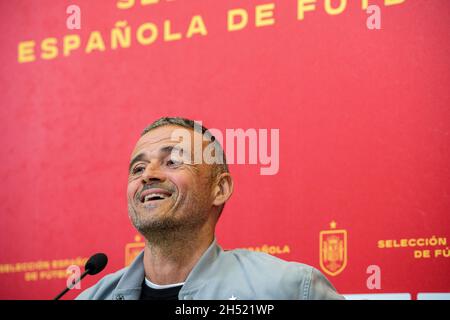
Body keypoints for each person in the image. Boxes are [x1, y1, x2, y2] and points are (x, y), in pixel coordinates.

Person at [76, 117, 344, 300]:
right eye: (138, 168)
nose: (148, 175)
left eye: (172, 161)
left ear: (220, 189)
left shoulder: (289, 289)